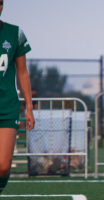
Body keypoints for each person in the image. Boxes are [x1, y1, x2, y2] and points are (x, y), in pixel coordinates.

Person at [0, 0, 35, 193]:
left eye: (0, 3)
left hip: (7, 107)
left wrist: (29, 107)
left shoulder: (15, 34)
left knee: (3, 167)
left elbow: (23, 72)